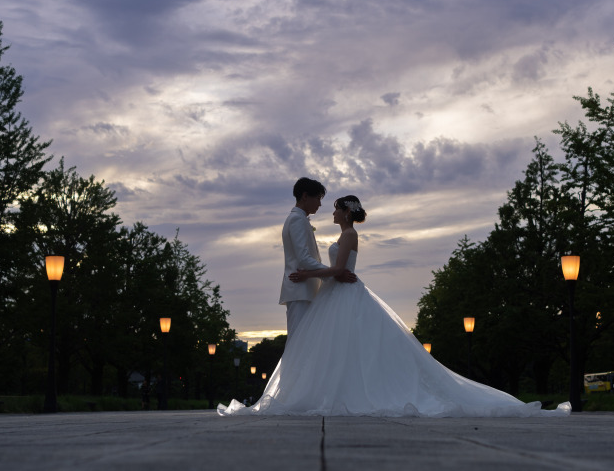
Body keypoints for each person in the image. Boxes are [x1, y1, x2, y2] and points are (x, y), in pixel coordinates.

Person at [219, 196, 570, 417]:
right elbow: (339, 272)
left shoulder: (349, 236)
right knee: (343, 349)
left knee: (346, 347)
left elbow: (341, 271)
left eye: (336, 208)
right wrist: (317, 273)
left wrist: (308, 272)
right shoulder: (343, 235)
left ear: (346, 212)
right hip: (337, 294)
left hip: (342, 294)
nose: (332, 212)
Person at [279, 177, 355, 342]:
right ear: (305, 196)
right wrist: (333, 274)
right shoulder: (297, 219)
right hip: (300, 289)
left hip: (306, 289)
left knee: (306, 343)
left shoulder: (299, 219)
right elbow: (304, 258)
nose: (320, 204)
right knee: (298, 343)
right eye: (318, 198)